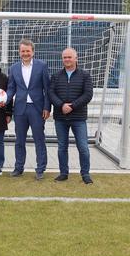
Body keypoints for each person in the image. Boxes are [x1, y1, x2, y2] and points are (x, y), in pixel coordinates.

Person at [6, 38, 51, 180]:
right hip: (20, 109)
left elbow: (47, 89)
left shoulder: (41, 66)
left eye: (28, 51)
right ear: (19, 52)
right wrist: (4, 99)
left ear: (33, 52)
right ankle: (19, 168)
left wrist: (47, 107)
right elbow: (11, 88)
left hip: (37, 109)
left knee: (39, 139)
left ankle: (40, 169)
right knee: (19, 140)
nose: (25, 53)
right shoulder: (13, 68)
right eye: (23, 51)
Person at [49, 48, 94, 184]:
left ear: (76, 58)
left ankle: (85, 174)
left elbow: (88, 94)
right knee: (62, 147)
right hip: (60, 117)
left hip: (78, 118)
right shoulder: (56, 76)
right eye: (64, 57)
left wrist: (72, 106)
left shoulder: (85, 75)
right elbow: (51, 93)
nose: (67, 60)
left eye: (69, 57)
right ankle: (63, 173)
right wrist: (61, 105)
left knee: (83, 147)